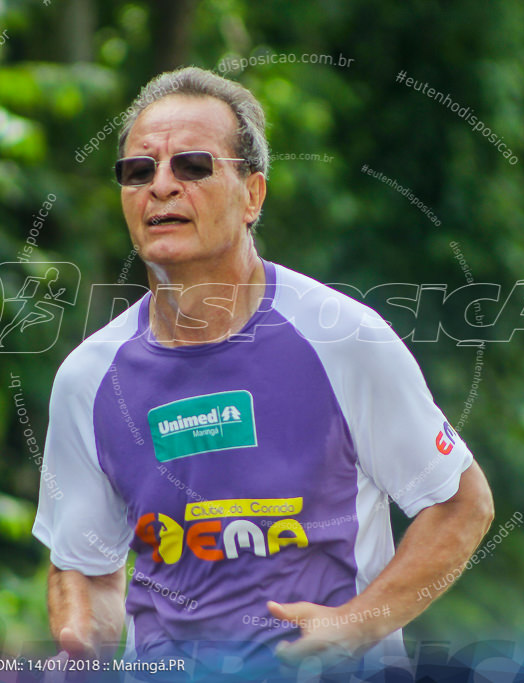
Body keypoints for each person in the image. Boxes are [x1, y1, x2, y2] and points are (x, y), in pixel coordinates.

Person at [32, 66, 495, 679]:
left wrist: (359, 623)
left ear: (252, 195)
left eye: (192, 166)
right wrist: (80, 641)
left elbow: (463, 506)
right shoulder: (89, 379)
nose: (161, 186)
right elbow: (85, 567)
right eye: (139, 171)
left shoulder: (342, 338)